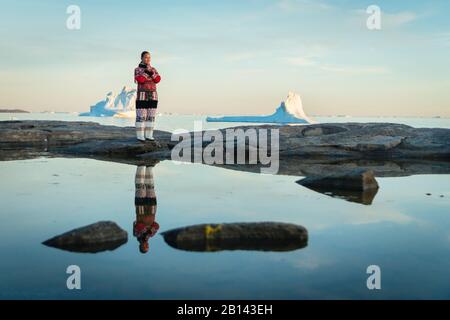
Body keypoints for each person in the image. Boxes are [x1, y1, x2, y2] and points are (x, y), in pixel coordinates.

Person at [134, 51, 161, 141]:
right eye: (146, 57)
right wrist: (147, 72)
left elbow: (157, 79)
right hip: (142, 95)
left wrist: (151, 72)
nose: (148, 59)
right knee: (141, 116)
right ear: (141, 58)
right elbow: (140, 80)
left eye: (149, 57)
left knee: (151, 116)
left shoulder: (153, 69)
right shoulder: (137, 69)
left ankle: (149, 135)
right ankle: (140, 136)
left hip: (153, 95)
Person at [133, 165, 159, 253]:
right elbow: (157, 225)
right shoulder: (150, 236)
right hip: (152, 210)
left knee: (140, 188)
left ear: (140, 246)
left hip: (141, 209)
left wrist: (147, 231)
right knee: (151, 187)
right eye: (147, 246)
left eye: (144, 247)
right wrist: (150, 231)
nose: (146, 245)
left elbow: (139, 225)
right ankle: (149, 168)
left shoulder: (137, 235)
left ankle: (140, 166)